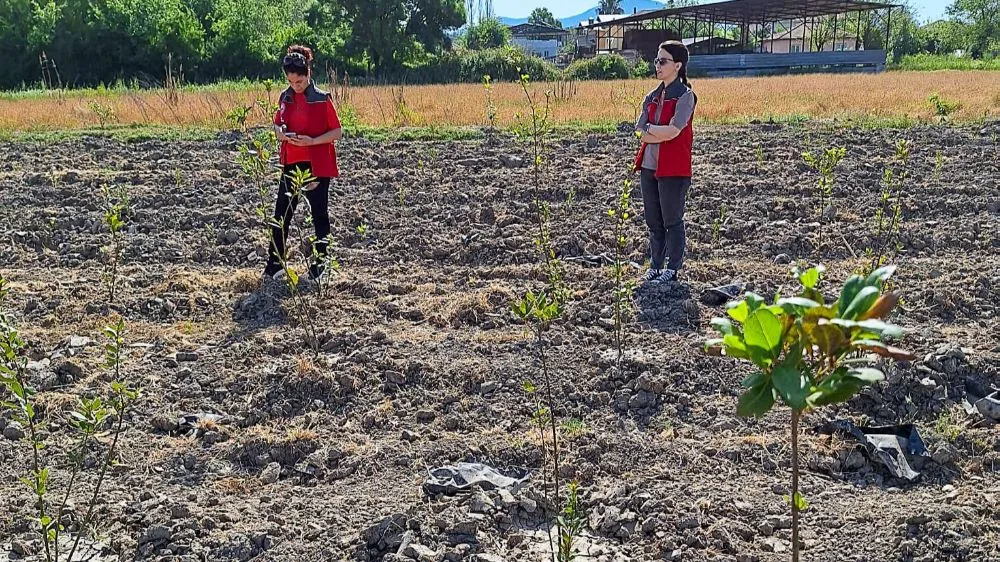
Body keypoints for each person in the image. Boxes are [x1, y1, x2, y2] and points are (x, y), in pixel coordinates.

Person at [264, 44, 344, 281]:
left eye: (298, 81)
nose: (295, 86)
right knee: (282, 215)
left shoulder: (321, 99)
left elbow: (337, 132)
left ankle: (321, 266)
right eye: (290, 81)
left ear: (308, 73)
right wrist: (280, 132)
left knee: (319, 214)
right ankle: (274, 265)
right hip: (291, 163)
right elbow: (278, 122)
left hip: (316, 166)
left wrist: (312, 141)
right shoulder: (285, 97)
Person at [634, 40, 697, 285]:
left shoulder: (685, 96)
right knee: (654, 220)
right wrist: (652, 131)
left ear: (677, 65)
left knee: (672, 219)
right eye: (657, 61)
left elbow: (675, 130)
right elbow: (640, 130)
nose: (657, 65)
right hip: (649, 166)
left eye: (663, 61)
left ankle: (672, 267)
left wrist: (651, 130)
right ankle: (656, 266)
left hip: (673, 168)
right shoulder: (651, 96)